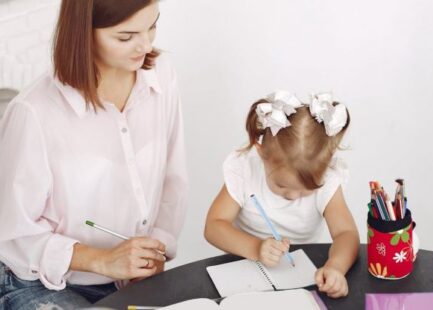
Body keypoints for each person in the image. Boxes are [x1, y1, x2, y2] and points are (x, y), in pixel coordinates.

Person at [0, 0, 187, 308]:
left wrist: (157, 248)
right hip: (37, 281)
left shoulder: (161, 77)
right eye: (125, 37)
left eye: (152, 26)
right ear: (84, 34)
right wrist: (103, 260)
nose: (145, 44)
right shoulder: (34, 112)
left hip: (126, 279)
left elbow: (173, 175)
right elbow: (11, 234)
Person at [205, 91, 359, 298]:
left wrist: (336, 267)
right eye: (281, 185)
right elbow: (214, 226)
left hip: (299, 277)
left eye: (307, 189)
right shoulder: (245, 171)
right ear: (261, 154)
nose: (294, 196)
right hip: (243, 270)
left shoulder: (328, 181)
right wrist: (256, 248)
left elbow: (346, 233)